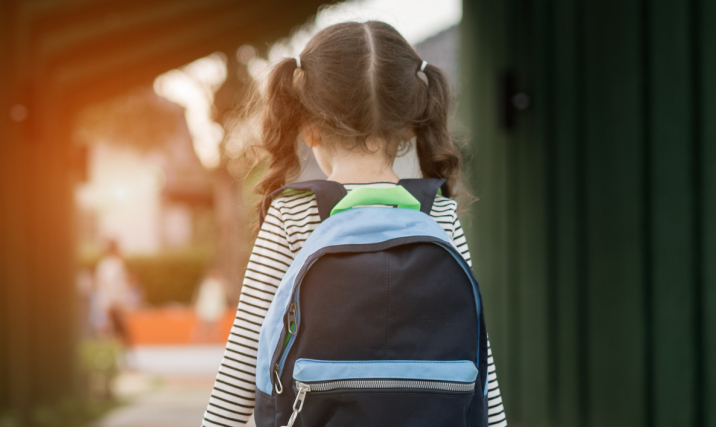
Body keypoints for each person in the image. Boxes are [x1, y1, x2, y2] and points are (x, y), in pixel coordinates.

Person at [200, 22, 507, 426]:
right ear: (409, 126)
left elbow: (236, 382)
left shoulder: (293, 214)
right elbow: (484, 384)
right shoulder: (437, 214)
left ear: (307, 126)